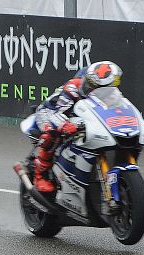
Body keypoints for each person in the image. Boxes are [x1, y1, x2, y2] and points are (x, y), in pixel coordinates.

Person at [33, 60, 123, 192]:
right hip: (50, 112)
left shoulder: (107, 91)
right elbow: (59, 114)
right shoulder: (73, 88)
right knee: (52, 133)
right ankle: (39, 174)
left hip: (77, 115)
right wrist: (67, 125)